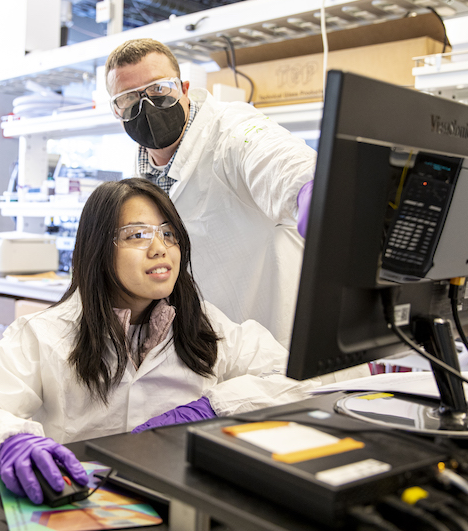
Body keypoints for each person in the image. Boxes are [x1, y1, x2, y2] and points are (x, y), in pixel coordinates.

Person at [0, 178, 329, 505]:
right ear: (99, 249)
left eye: (169, 234)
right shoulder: (47, 334)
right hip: (81, 504)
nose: (160, 248)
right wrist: (10, 441)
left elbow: (301, 377)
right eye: (137, 234)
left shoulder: (202, 324)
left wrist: (213, 407)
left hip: (182, 502)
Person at [105, 39, 316, 347]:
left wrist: (310, 190)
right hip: (206, 350)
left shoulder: (231, 131)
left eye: (159, 90)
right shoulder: (140, 174)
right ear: (116, 110)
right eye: (129, 99)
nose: (147, 105)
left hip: (281, 347)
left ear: (184, 88)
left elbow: (277, 159)